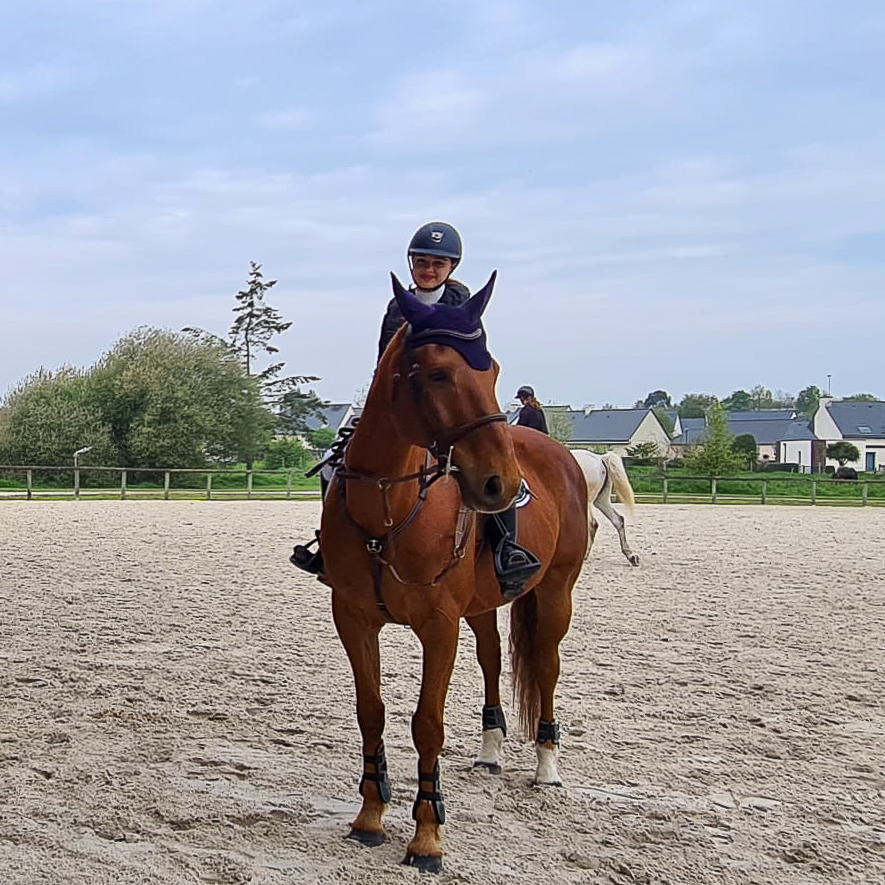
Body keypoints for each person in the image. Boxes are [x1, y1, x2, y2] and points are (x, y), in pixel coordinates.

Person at [290, 222, 541, 599]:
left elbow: (473, 360)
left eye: (437, 263)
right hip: (399, 401)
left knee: (490, 467)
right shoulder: (397, 307)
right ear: (411, 264)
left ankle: (507, 549)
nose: (428, 269)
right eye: (421, 262)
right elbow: (383, 361)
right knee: (332, 461)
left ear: (451, 267)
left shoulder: (463, 304)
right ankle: (329, 547)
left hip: (451, 405)